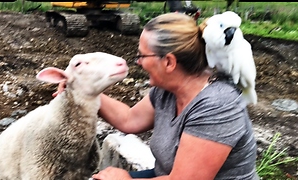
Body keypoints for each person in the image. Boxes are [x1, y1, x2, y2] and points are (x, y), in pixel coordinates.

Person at [56, 13, 259, 180]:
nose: (138, 62)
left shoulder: (217, 105)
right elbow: (129, 119)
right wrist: (79, 90)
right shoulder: (167, 91)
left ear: (169, 62)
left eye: (142, 56)